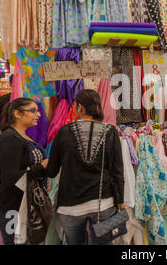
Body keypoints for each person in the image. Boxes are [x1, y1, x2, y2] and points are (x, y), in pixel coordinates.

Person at [44, 89, 124, 245]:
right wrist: (120, 199)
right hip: (104, 204)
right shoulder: (111, 132)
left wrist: (42, 165)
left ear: (79, 107)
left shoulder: (63, 132)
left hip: (70, 207)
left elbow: (52, 172)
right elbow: (117, 170)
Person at [0, 97, 47, 245]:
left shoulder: (21, 136)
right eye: (32, 111)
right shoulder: (10, 140)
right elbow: (11, 178)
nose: (38, 115)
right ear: (17, 114)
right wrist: (41, 166)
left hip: (22, 203)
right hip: (11, 206)